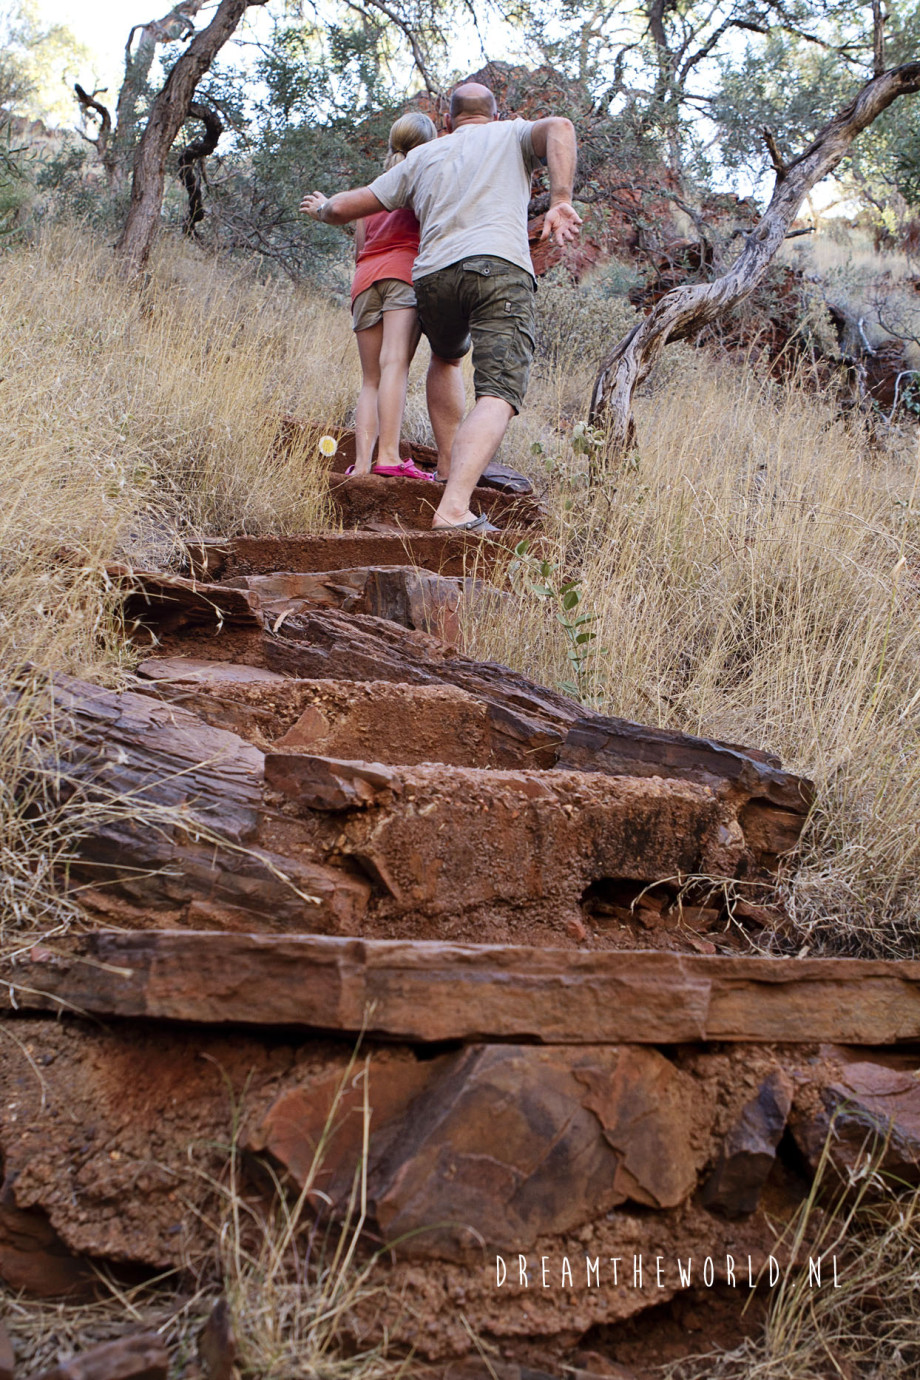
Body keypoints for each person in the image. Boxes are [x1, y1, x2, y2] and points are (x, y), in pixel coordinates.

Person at [301, 82, 581, 532]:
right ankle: (453, 507)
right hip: (498, 266)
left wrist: (321, 209)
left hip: (432, 277)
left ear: (447, 122)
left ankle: (449, 465)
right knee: (498, 393)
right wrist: (561, 199)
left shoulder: (424, 156)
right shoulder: (512, 133)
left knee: (448, 358)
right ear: (496, 113)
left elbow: (344, 208)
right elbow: (561, 128)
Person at [347, 111, 437, 480]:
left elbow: (359, 248)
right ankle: (388, 456)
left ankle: (363, 466)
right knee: (394, 364)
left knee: (370, 378)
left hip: (364, 280)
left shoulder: (372, 190)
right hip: (403, 274)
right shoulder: (423, 182)